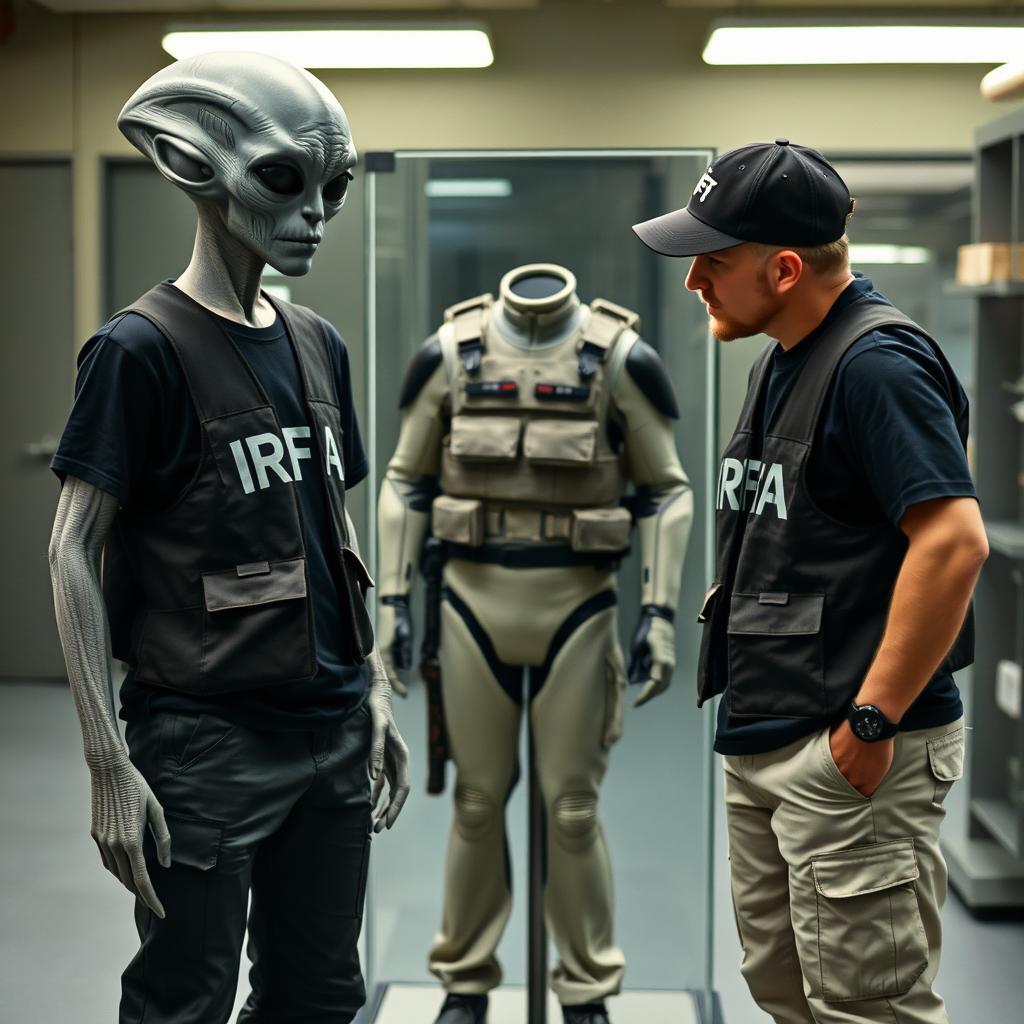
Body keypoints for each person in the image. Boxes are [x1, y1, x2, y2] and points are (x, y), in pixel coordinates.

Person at [47, 53, 409, 1024]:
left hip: (330, 731)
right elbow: (71, 548)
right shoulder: (138, 350)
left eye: (331, 188)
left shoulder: (316, 340)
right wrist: (104, 761)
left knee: (320, 995)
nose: (315, 217)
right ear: (191, 167)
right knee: (185, 1000)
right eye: (284, 181)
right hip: (206, 739)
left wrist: (370, 683)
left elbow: (334, 522)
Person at [634, 139, 986, 1024]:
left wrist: (870, 724)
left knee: (869, 1007)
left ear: (784, 268)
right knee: (788, 992)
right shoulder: (784, 356)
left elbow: (953, 543)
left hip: (848, 743)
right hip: (770, 730)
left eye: (712, 261)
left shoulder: (877, 365)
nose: (694, 282)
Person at [376, 263, 693, 1024]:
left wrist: (659, 612)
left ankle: (585, 992)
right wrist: (390, 602)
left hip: (577, 610)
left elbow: (666, 490)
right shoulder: (451, 353)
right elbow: (403, 480)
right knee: (477, 805)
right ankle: (464, 981)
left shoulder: (618, 358)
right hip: (469, 606)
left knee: (574, 809)